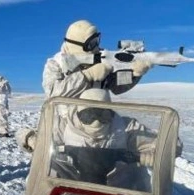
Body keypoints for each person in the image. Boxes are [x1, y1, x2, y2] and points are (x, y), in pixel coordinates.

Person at [17, 19, 152, 154]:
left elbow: (115, 86)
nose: (96, 47)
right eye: (91, 43)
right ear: (77, 44)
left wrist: (134, 74)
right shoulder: (56, 64)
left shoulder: (101, 58)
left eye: (97, 41)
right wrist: (86, 75)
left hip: (99, 124)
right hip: (65, 127)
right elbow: (53, 94)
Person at [51, 88, 182, 191]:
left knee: (139, 174)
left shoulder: (126, 128)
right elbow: (41, 135)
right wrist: (31, 138)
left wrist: (159, 153)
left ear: (111, 113)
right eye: (89, 115)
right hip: (71, 185)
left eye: (103, 115)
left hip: (119, 189)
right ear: (79, 114)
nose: (96, 122)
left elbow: (166, 141)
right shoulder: (65, 126)